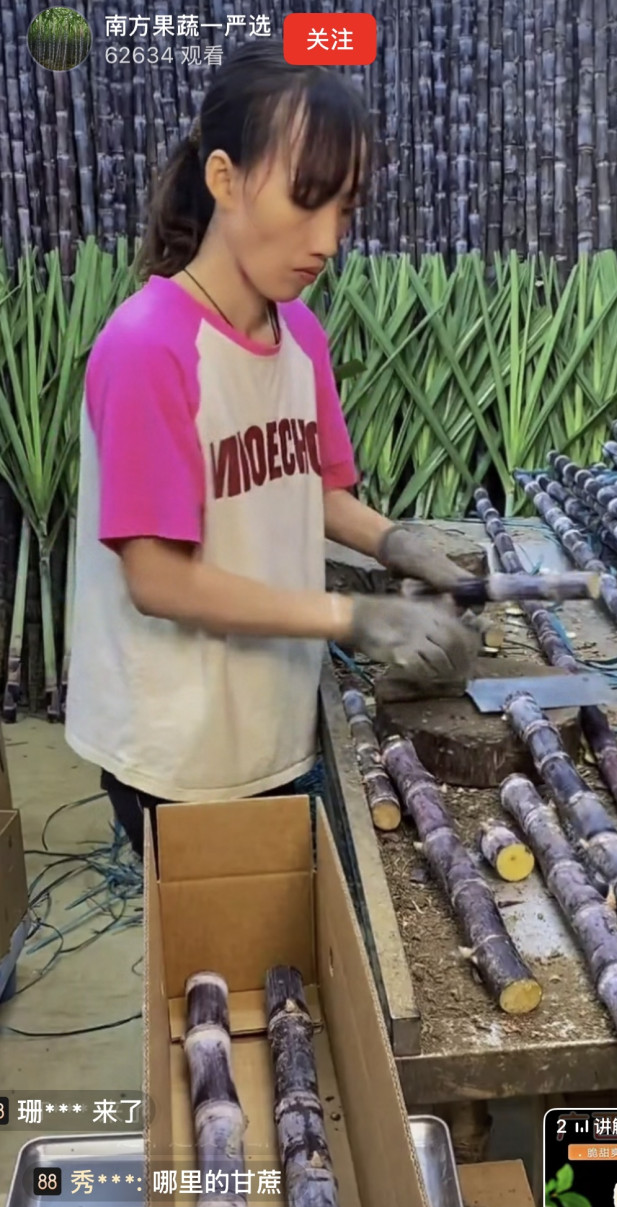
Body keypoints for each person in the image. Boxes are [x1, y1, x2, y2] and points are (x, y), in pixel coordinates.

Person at [65, 43, 479, 860]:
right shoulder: (149, 346)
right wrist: (357, 617)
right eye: (305, 199)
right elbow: (158, 579)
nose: (327, 240)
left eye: (345, 210)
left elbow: (313, 490)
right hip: (175, 747)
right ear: (224, 179)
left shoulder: (301, 335)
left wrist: (398, 542)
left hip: (272, 720)